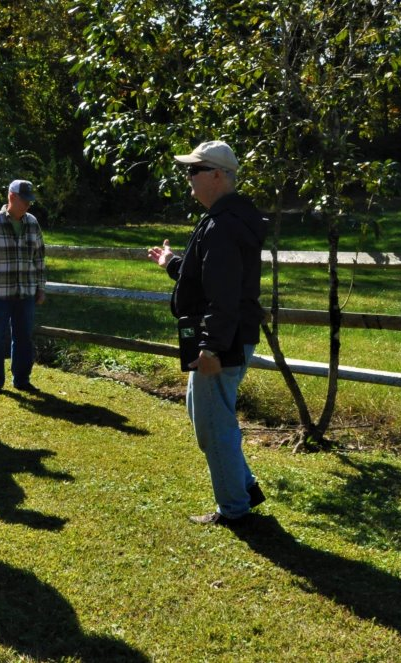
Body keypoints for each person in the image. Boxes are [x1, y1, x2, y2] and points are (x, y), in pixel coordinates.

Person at [147, 140, 268, 526]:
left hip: (222, 340)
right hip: (224, 336)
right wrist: (173, 263)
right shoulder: (223, 219)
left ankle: (234, 509)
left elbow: (224, 295)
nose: (189, 179)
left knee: (215, 426)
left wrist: (212, 347)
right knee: (204, 418)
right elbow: (208, 275)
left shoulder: (224, 224)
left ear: (217, 175)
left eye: (194, 171)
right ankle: (244, 488)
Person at [0, 179, 46, 393]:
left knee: (24, 337)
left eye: (30, 201)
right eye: (25, 200)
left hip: (25, 292)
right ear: (11, 197)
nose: (28, 205)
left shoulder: (32, 222)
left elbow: (39, 258)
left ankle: (22, 379)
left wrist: (41, 287)